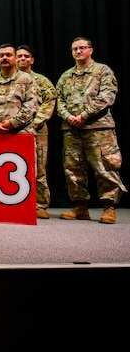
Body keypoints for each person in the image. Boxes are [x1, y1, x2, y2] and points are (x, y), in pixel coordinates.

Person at [56, 36, 126, 224]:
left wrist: (84, 115)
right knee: (73, 169)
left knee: (104, 167)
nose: (78, 51)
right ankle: (80, 208)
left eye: (82, 48)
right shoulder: (66, 76)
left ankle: (109, 208)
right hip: (71, 129)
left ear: (90, 50)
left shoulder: (103, 71)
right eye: (74, 49)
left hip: (98, 128)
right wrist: (68, 116)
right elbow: (59, 100)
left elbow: (107, 97)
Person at [16, 44, 58, 219]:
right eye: (19, 56)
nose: (23, 59)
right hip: (13, 131)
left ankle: (40, 205)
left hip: (37, 130)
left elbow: (50, 101)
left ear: (32, 60)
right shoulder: (8, 79)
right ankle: (16, 202)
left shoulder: (41, 80)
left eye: (26, 56)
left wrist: (36, 122)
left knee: (38, 167)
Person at [0, 44, 38, 136]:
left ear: (16, 59)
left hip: (22, 134)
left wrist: (12, 123)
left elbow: (31, 105)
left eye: (8, 55)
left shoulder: (27, 79)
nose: (4, 58)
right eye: (1, 56)